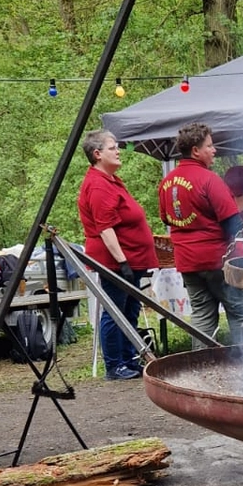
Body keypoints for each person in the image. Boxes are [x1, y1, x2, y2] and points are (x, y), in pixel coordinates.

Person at [159, 122, 243, 347]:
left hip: (189, 263)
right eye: (210, 146)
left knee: (202, 316)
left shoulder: (166, 182)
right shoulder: (209, 179)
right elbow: (232, 222)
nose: (214, 150)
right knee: (240, 312)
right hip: (219, 260)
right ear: (195, 150)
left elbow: (167, 218)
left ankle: (200, 367)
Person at [77, 129, 158, 380]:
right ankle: (114, 365)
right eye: (113, 147)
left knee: (129, 311)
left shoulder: (111, 180)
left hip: (132, 259)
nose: (118, 151)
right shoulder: (98, 185)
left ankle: (128, 359)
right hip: (114, 262)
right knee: (115, 313)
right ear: (98, 154)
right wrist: (122, 261)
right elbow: (105, 228)